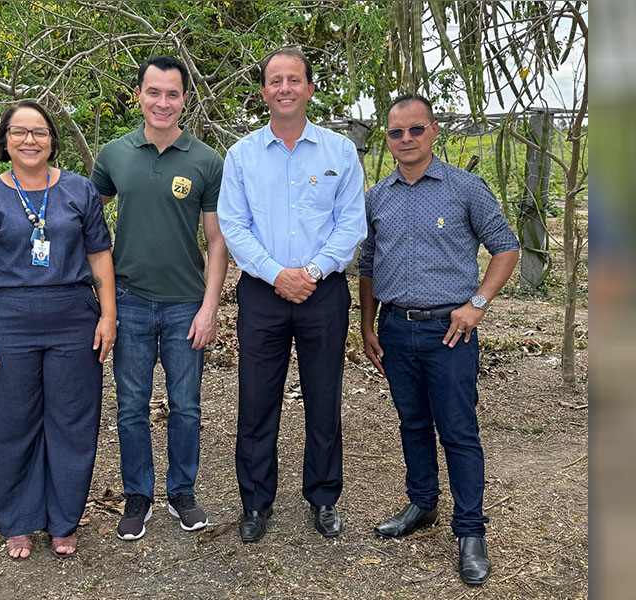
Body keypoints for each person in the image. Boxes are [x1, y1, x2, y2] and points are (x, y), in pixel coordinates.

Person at [358, 94, 520, 585]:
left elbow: (506, 248)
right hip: (394, 326)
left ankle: (470, 530)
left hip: (448, 330)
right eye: (395, 132)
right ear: (387, 138)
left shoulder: (464, 188)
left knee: (457, 429)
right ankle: (422, 503)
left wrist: (478, 304)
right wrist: (366, 324)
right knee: (412, 421)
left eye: (415, 130)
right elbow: (367, 267)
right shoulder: (377, 197)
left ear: (433, 132)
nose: (405, 139)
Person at [217, 47, 367, 543]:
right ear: (263, 91)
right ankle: (255, 502)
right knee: (257, 401)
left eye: (294, 79)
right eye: (275, 80)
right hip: (262, 294)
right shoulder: (240, 155)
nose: (284, 88)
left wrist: (312, 271)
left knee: (324, 398)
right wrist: (277, 274)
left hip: (324, 293)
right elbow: (234, 227)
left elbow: (351, 223)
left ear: (309, 88)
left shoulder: (339, 152)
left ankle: (323, 497)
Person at [0, 99, 116, 560]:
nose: (30, 140)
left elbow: (99, 255)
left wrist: (108, 316)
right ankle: (20, 521)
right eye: (20, 132)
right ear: (4, 141)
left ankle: (63, 520)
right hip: (7, 322)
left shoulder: (79, 190)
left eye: (40, 132)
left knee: (72, 423)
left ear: (53, 140)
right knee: (11, 424)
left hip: (74, 321)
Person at [90, 55, 228, 541]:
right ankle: (139, 496)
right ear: (139, 95)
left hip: (185, 304)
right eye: (154, 92)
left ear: (184, 99)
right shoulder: (113, 155)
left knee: (185, 405)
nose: (162, 102)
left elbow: (216, 241)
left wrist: (209, 308)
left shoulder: (206, 160)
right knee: (130, 405)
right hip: (127, 300)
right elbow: (87, 220)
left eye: (172, 94)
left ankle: (182, 492)